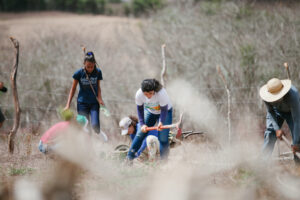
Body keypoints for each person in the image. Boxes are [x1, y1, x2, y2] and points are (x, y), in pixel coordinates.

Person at [127, 79, 173, 161]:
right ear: (142, 92)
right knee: (140, 134)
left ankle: (164, 162)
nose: (149, 96)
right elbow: (140, 110)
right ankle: (129, 159)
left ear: (154, 90)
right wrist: (142, 124)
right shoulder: (139, 94)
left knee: (163, 138)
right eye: (146, 94)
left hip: (165, 112)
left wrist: (161, 122)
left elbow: (164, 110)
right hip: (150, 112)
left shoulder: (161, 93)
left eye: (151, 93)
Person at [260, 78, 300, 163]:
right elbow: (270, 112)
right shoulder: (266, 96)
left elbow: (297, 120)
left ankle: (298, 164)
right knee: (270, 133)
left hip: (291, 113)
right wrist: (277, 129)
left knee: (298, 137)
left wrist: (296, 143)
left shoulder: (293, 95)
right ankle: (262, 163)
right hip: (276, 111)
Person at [64, 51, 104, 135]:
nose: (90, 69)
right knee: (85, 128)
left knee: (95, 125)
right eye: (88, 66)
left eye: (92, 67)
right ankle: (88, 146)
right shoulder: (78, 73)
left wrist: (100, 99)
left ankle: (100, 136)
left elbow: (98, 87)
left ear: (94, 64)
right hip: (82, 103)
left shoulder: (98, 72)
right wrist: (68, 104)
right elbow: (73, 89)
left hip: (94, 103)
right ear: (84, 64)